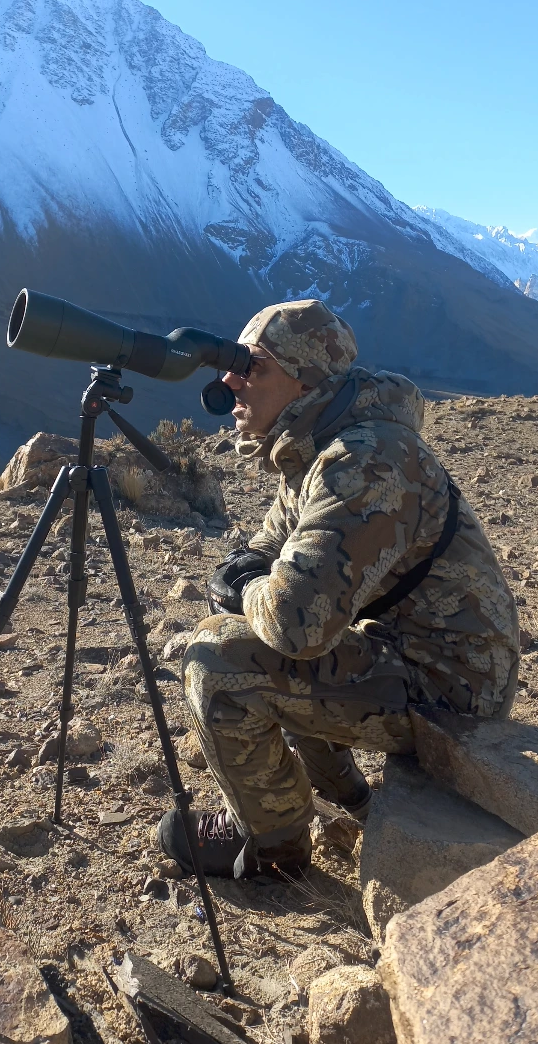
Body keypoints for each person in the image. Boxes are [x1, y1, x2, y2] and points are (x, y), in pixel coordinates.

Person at [157, 299, 519, 879]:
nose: (230, 383)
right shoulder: (319, 443)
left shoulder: (365, 461)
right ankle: (351, 797)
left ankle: (272, 847)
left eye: (252, 367)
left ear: (305, 381)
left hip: (454, 688)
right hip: (414, 653)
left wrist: (246, 588)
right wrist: (253, 573)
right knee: (275, 629)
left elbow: (296, 624)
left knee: (219, 658)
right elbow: (270, 545)